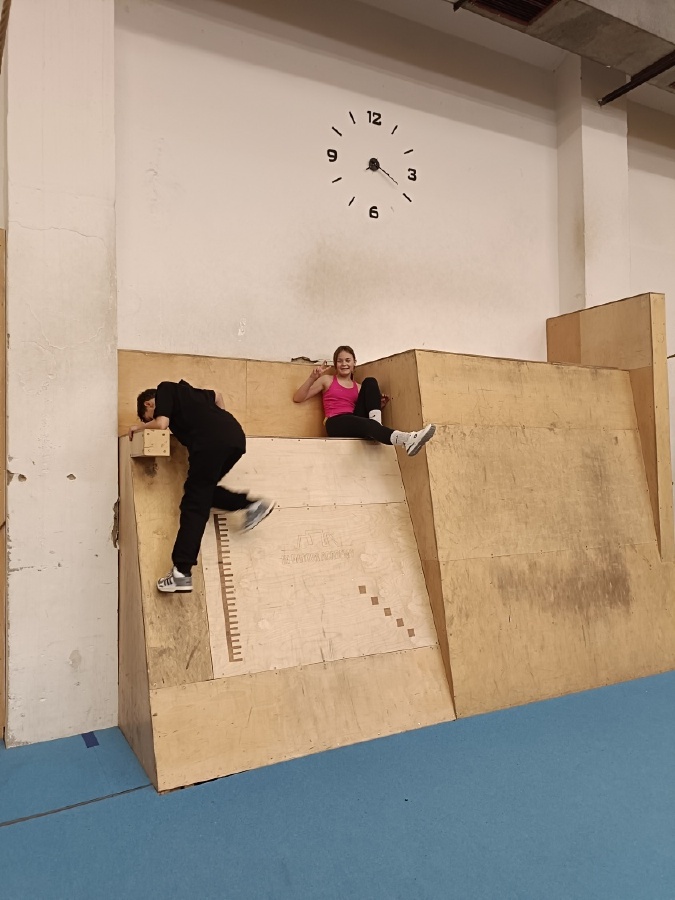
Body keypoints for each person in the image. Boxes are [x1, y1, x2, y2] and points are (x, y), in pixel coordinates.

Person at [129, 379, 275, 594]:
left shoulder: (165, 389)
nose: (150, 420)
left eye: (148, 416)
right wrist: (218, 422)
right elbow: (217, 394)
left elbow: (161, 424)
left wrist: (139, 427)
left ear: (149, 404)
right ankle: (251, 505)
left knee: (194, 504)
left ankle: (181, 572)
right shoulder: (190, 394)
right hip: (234, 437)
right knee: (202, 493)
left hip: (211, 443)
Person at [293, 345, 436, 455]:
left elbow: (362, 412)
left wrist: (378, 405)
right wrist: (312, 378)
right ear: (335, 364)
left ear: (354, 363)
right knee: (367, 424)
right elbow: (298, 398)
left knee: (370, 381)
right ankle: (407, 439)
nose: (344, 364)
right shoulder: (327, 380)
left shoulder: (359, 387)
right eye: (339, 361)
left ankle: (376, 428)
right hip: (336, 422)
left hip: (354, 420)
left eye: (348, 360)